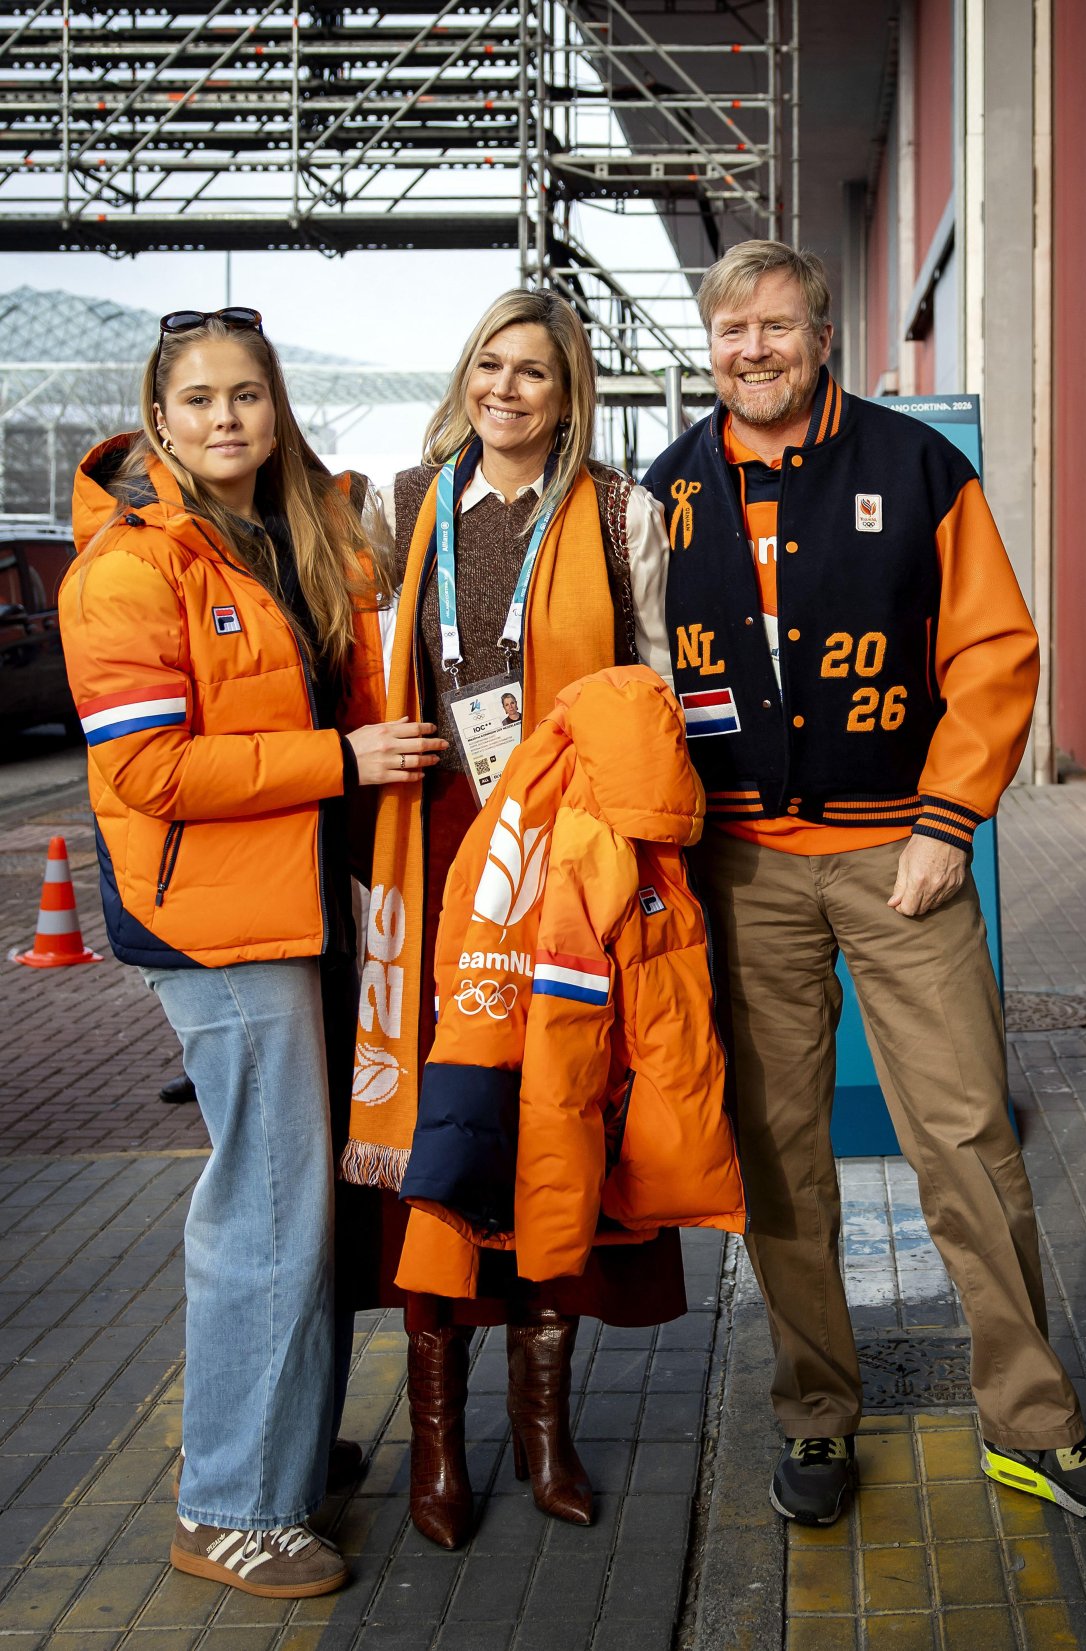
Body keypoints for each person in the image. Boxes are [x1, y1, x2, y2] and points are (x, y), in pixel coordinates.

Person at [640, 241, 1086, 1530]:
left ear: (820, 334)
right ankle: (815, 1415)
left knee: (969, 1139)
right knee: (780, 1158)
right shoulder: (665, 494)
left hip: (898, 862)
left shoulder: (918, 469)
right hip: (743, 868)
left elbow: (993, 654)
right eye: (728, 332)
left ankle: (1033, 1425)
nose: (749, 350)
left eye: (773, 326)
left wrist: (944, 823)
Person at [59, 306, 443, 1598]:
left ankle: (280, 1451)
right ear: (159, 417)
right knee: (269, 1211)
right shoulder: (127, 566)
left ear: (276, 407)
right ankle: (228, 1500)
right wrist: (343, 760)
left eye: (248, 394)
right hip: (221, 926)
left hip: (313, 906)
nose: (227, 416)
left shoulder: (298, 535)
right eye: (201, 398)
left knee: (319, 1201)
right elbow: (151, 766)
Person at [339, 287, 677, 1551]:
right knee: (444, 1137)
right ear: (465, 375)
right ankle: (436, 1441)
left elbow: (654, 690)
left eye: (534, 370)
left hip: (564, 867)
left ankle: (545, 1433)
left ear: (567, 388)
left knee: (558, 1124)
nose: (508, 389)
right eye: (491, 363)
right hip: (433, 867)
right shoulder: (404, 508)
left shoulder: (620, 512)